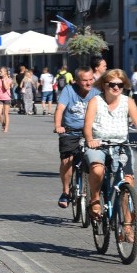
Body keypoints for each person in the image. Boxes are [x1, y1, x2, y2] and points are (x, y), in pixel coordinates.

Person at [83, 69, 137, 231]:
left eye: (120, 85)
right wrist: (90, 140)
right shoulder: (95, 101)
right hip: (99, 144)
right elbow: (87, 126)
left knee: (127, 182)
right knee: (97, 169)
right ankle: (95, 199)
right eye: (112, 84)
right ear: (104, 85)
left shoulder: (128, 102)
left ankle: (128, 227)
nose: (116, 88)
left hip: (121, 145)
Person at [53, 67, 99, 209]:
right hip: (70, 132)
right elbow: (60, 109)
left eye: (91, 79)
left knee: (96, 163)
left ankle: (96, 196)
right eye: (84, 80)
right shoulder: (69, 90)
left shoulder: (97, 91)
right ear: (76, 81)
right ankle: (66, 191)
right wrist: (58, 126)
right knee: (67, 161)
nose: (88, 83)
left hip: (90, 133)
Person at [0, 66, 13, 132]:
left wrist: (4, 80)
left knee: (5, 113)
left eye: (1, 71)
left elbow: (6, 88)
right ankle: (3, 124)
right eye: (0, 71)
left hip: (7, 98)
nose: (0, 72)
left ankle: (6, 128)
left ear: (5, 72)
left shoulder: (9, 79)